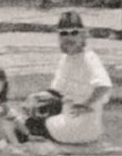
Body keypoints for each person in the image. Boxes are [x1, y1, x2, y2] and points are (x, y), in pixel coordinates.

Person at [28, 11, 112, 145]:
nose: (69, 38)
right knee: (34, 113)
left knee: (27, 128)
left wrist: (86, 104)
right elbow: (55, 92)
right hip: (69, 121)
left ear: (83, 35)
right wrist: (34, 97)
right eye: (64, 33)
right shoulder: (65, 60)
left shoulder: (89, 58)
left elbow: (104, 85)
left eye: (74, 33)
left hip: (81, 126)